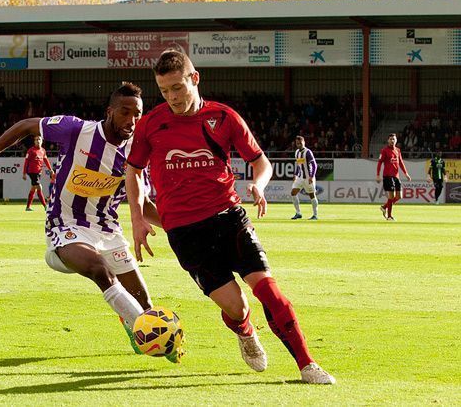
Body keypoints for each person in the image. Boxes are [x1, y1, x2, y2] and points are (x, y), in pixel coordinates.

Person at [126, 50, 335, 384]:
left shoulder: (223, 118)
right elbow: (133, 171)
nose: (172, 97)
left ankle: (308, 365)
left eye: (177, 88)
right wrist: (138, 218)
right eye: (164, 91)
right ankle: (245, 329)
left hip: (229, 218)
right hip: (185, 234)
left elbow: (260, 161)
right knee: (236, 307)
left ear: (194, 79)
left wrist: (259, 184)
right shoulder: (152, 123)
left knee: (269, 290)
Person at [0, 82, 180, 362]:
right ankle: (150, 334)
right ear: (109, 111)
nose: (132, 121)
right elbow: (26, 125)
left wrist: (177, 227)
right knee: (100, 269)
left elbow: (141, 204)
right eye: (125, 112)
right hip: (66, 227)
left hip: (108, 231)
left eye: (138, 114)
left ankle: (141, 327)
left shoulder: (135, 151)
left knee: (144, 303)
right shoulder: (77, 130)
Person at [376, 133, 411, 221]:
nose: (392, 141)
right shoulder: (384, 151)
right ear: (388, 140)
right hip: (388, 176)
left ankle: (384, 207)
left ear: (396, 140)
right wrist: (377, 175)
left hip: (396, 176)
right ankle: (389, 216)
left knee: (399, 196)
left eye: (394, 139)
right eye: (391, 139)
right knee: (392, 196)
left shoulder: (398, 150)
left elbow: (401, 162)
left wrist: (406, 173)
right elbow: (380, 163)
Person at [290, 135, 319, 220]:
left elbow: (314, 165)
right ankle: (298, 213)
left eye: (300, 143)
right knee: (293, 193)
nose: (298, 144)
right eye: (297, 143)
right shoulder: (297, 152)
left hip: (308, 178)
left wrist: (311, 176)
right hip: (300, 178)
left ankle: (315, 215)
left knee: (312, 195)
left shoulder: (308, 152)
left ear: (304, 142)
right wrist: (295, 174)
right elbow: (298, 165)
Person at [23, 135, 54, 211]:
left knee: (33, 189)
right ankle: (45, 206)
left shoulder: (43, 150)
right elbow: (26, 162)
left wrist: (50, 169)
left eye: (39, 139)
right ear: (34, 141)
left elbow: (46, 160)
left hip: (38, 172)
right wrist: (24, 173)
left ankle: (28, 207)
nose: (38, 141)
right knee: (39, 187)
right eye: (36, 139)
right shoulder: (31, 151)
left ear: (42, 141)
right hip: (32, 172)